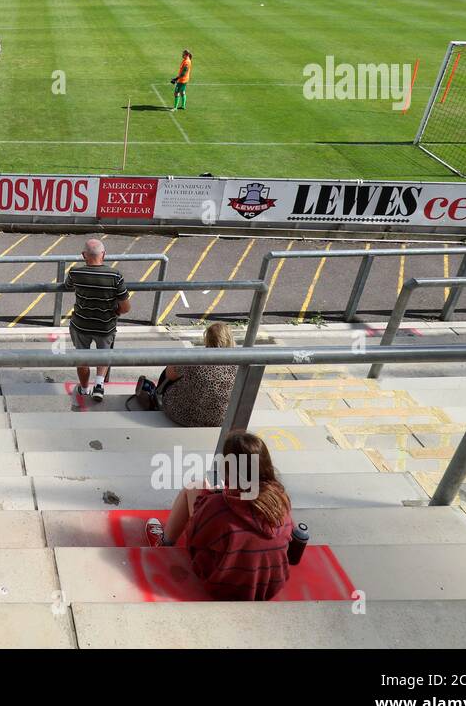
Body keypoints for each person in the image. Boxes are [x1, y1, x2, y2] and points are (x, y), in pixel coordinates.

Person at [144, 432, 295, 602]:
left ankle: (165, 543)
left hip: (224, 588)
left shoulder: (218, 508)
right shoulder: (280, 499)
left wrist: (208, 499)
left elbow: (194, 539)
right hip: (269, 587)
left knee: (194, 486)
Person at [63, 238, 131, 403]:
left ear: (83, 255)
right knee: (104, 353)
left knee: (82, 359)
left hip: (80, 325)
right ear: (104, 255)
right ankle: (99, 384)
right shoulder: (116, 275)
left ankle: (84, 388)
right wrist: (116, 312)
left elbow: (67, 285)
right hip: (105, 325)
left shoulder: (75, 272)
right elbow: (126, 307)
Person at [133, 323, 238, 427]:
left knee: (171, 371)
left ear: (207, 339)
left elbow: (169, 375)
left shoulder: (197, 359)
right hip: (219, 419)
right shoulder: (238, 364)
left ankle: (155, 396)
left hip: (181, 415)